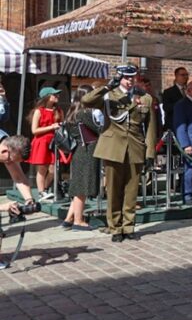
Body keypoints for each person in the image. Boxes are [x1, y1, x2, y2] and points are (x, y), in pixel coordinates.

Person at [82, 65, 158, 242]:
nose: (130, 81)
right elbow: (86, 101)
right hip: (113, 147)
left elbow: (150, 129)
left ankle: (128, 225)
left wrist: (150, 153)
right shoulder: (109, 96)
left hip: (135, 147)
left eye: (133, 77)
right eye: (126, 77)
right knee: (114, 189)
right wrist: (108, 86)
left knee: (131, 190)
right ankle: (115, 227)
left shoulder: (145, 98)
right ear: (119, 78)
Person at [61, 86, 104, 229]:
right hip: (87, 150)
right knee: (82, 188)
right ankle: (78, 221)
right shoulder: (86, 113)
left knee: (78, 185)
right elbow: (100, 129)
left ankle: (68, 219)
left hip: (79, 149)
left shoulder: (72, 112)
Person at [27, 86, 63, 200]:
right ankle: (42, 192)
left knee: (53, 169)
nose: (57, 96)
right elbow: (34, 130)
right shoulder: (38, 111)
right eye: (54, 94)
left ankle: (45, 189)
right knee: (42, 169)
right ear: (47, 97)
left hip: (54, 142)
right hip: (41, 142)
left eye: (57, 94)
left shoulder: (59, 111)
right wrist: (51, 127)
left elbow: (61, 126)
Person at [161, 67, 188, 132]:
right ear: (176, 76)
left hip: (188, 126)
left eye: (186, 75)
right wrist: (181, 103)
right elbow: (166, 108)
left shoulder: (190, 90)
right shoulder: (168, 92)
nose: (185, 77)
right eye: (182, 75)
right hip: (174, 126)